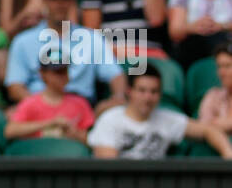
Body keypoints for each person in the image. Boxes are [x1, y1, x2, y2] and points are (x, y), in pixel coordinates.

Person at [4, 0, 125, 107]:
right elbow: (14, 87)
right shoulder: (23, 41)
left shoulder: (91, 38)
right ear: (45, 1)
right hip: (41, 107)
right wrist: (41, 107)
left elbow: (116, 75)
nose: (59, 4)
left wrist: (117, 98)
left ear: (72, 2)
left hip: (82, 108)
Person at [88, 65, 232, 160]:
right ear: (129, 92)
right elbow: (107, 166)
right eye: (142, 91)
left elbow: (208, 131)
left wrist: (228, 153)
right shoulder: (110, 119)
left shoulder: (166, 118)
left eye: (154, 92)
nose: (148, 97)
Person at [4, 57, 95, 143]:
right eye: (58, 72)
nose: (62, 76)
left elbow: (91, 139)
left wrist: (74, 133)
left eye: (65, 71)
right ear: (43, 74)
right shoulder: (30, 103)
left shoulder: (79, 103)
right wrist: (49, 123)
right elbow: (10, 131)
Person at [197, 39, 232, 135]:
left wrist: (215, 124)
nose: (221, 73)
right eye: (219, 67)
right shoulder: (213, 95)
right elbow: (202, 128)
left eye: (227, 66)